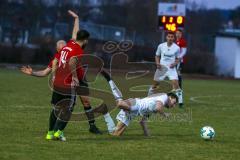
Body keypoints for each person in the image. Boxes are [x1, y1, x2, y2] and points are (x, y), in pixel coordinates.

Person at [100, 70, 178, 136]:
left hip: (132, 112)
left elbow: (142, 121)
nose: (173, 106)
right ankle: (110, 80)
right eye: (174, 103)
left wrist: (147, 135)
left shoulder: (152, 107)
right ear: (170, 97)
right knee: (120, 103)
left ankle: (105, 112)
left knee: (115, 134)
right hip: (135, 104)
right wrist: (165, 115)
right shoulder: (164, 96)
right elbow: (158, 108)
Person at [148, 31, 183, 107]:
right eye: (169, 37)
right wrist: (157, 63)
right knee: (155, 85)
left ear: (174, 38)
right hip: (162, 68)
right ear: (166, 37)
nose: (170, 38)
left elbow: (178, 58)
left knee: (176, 85)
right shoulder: (161, 46)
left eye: (172, 37)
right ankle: (148, 99)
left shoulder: (177, 48)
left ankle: (180, 102)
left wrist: (174, 64)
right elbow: (157, 55)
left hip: (171, 69)